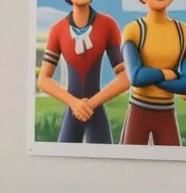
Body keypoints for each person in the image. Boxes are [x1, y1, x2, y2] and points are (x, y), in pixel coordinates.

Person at [36, 0, 129, 144]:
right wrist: (74, 103)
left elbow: (125, 79)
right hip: (73, 110)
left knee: (104, 162)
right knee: (63, 162)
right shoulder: (58, 29)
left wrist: (90, 104)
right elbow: (43, 80)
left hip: (95, 110)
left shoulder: (108, 25)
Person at [119, 0, 186, 146]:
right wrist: (167, 75)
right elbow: (136, 77)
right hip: (138, 111)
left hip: (167, 113)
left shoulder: (184, 32)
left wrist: (182, 86)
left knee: (173, 165)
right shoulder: (134, 30)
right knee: (130, 165)